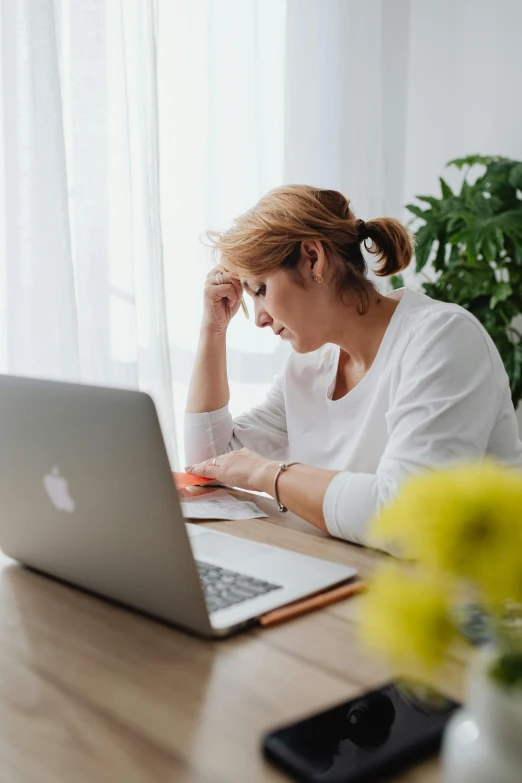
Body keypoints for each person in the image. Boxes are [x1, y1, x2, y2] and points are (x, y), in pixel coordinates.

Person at [184, 185, 522, 551]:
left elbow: (409, 519)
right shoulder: (309, 367)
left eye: (261, 289)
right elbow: (208, 464)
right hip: (356, 578)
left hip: (467, 597)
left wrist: (268, 474)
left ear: (313, 258)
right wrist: (213, 330)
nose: (260, 319)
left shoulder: (443, 338)